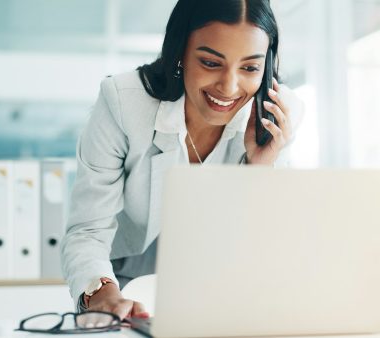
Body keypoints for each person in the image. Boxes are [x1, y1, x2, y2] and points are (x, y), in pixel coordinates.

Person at [60, 0, 304, 320]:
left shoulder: (276, 116)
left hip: (215, 284)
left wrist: (258, 169)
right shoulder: (123, 103)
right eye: (210, 63)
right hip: (123, 279)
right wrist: (101, 293)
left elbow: (265, 249)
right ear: (180, 53)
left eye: (249, 67)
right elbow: (87, 230)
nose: (229, 87)